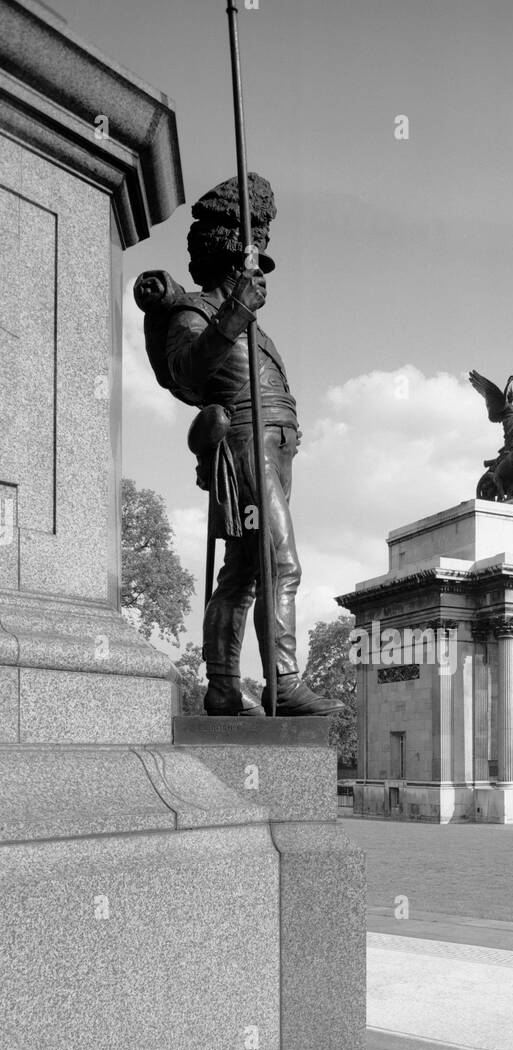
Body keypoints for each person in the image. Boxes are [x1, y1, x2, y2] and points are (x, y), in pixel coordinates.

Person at [150, 173, 342, 717]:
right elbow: (187, 372)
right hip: (244, 443)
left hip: (275, 446)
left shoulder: (251, 326)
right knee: (281, 564)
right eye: (249, 264)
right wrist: (235, 312)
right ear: (227, 262)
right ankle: (282, 681)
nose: (256, 274)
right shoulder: (195, 311)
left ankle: (223, 687)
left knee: (245, 570)